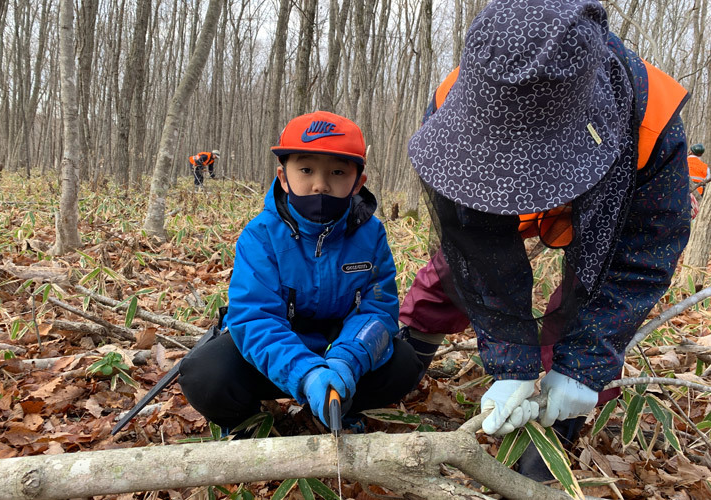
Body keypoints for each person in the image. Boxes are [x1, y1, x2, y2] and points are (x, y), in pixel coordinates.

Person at [400, 0, 691, 480]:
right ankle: (408, 353)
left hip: (596, 212)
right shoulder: (458, 98)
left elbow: (642, 255)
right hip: (489, 194)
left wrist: (585, 364)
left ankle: (554, 431)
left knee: (587, 302)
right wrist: (510, 358)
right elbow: (471, 241)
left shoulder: (651, 118)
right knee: (451, 273)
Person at [178, 111, 423, 433]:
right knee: (204, 375)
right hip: (277, 346)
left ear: (357, 182)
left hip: (340, 344)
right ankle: (246, 421)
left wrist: (346, 361)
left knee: (404, 364)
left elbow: (378, 311)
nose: (320, 184)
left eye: (337, 172)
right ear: (283, 176)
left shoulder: (371, 233)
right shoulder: (261, 234)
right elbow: (254, 318)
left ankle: (343, 406)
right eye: (306, 170)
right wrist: (306, 373)